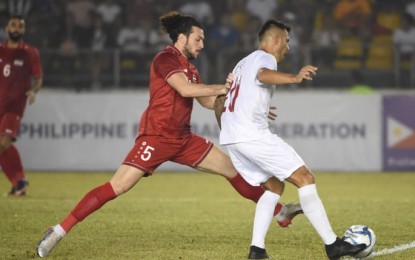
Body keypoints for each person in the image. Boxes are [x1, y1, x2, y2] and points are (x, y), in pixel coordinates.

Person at [36, 12, 302, 258]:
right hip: (156, 137)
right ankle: (59, 230)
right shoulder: (165, 59)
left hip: (183, 139)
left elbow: (209, 102)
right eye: (198, 39)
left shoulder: (191, 67)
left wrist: (242, 101)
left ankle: (280, 213)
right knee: (117, 187)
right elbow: (185, 90)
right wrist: (223, 86)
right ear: (182, 38)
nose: (202, 45)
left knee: (232, 169)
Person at [218, 19, 367, 259]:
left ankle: (257, 250)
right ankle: (333, 245)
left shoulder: (241, 64)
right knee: (305, 178)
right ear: (276, 40)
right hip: (251, 134)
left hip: (232, 138)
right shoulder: (265, 58)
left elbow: (232, 96)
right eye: (286, 42)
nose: (287, 48)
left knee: (275, 186)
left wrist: (255, 109)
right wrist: (295, 78)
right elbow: (264, 75)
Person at [0, 15, 43, 196]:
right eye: (13, 25)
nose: (16, 29)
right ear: (7, 28)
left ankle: (21, 179)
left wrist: (33, 90)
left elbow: (38, 79)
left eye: (20, 26)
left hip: (15, 105)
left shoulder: (30, 52)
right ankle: (17, 184)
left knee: (4, 141)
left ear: (24, 30)